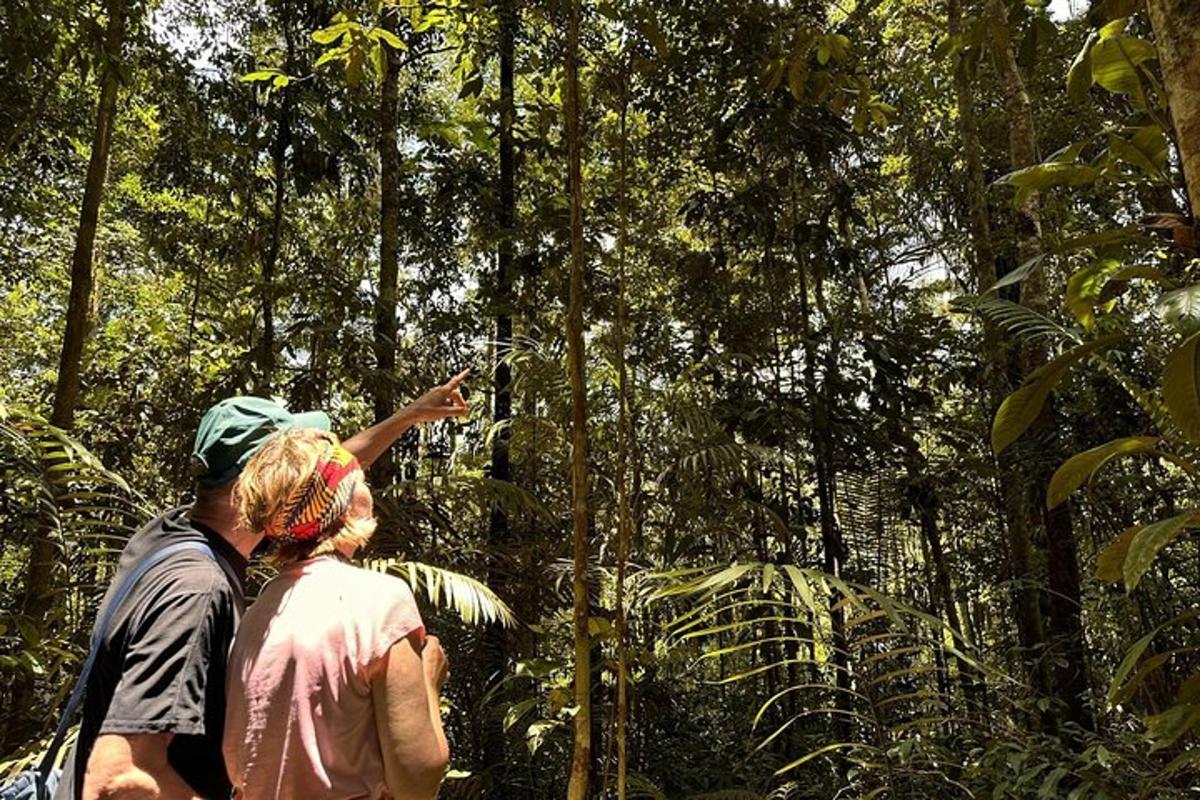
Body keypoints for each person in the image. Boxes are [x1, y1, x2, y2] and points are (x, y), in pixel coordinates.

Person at [57, 371, 469, 800]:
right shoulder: (195, 589)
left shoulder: (169, 536)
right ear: (257, 485)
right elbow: (118, 775)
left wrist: (410, 415)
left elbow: (322, 486)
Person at [223, 428, 449, 800]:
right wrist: (429, 682)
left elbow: (240, 760)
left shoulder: (259, 612)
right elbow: (417, 779)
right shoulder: (381, 601)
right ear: (343, 504)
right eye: (357, 478)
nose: (366, 484)